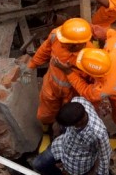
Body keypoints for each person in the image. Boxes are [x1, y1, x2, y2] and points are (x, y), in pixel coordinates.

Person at [27, 17, 91, 150]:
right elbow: (44, 50)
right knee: (45, 112)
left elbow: (91, 83)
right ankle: (46, 133)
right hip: (52, 85)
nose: (62, 44)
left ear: (78, 44)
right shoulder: (57, 35)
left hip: (73, 92)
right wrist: (31, 66)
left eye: (66, 43)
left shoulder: (90, 55)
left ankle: (67, 136)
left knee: (69, 117)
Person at [34, 97, 113, 175]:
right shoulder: (78, 101)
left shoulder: (99, 133)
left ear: (77, 123)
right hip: (61, 146)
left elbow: (105, 156)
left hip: (79, 163)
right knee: (38, 164)